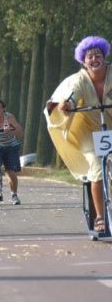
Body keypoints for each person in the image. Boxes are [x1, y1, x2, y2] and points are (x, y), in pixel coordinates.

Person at [45, 35, 112, 232]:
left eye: (97, 54)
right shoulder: (79, 79)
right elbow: (71, 94)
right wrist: (68, 105)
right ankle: (100, 216)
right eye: (89, 56)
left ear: (104, 56)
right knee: (97, 167)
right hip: (89, 130)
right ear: (83, 61)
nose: (94, 59)